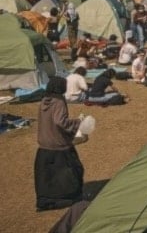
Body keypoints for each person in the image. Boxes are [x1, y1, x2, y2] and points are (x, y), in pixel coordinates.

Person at [34, 76, 84, 211]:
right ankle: (70, 196)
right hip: (58, 144)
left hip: (44, 144)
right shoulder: (59, 101)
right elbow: (60, 121)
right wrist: (77, 122)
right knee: (73, 170)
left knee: (48, 176)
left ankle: (48, 199)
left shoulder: (45, 100)